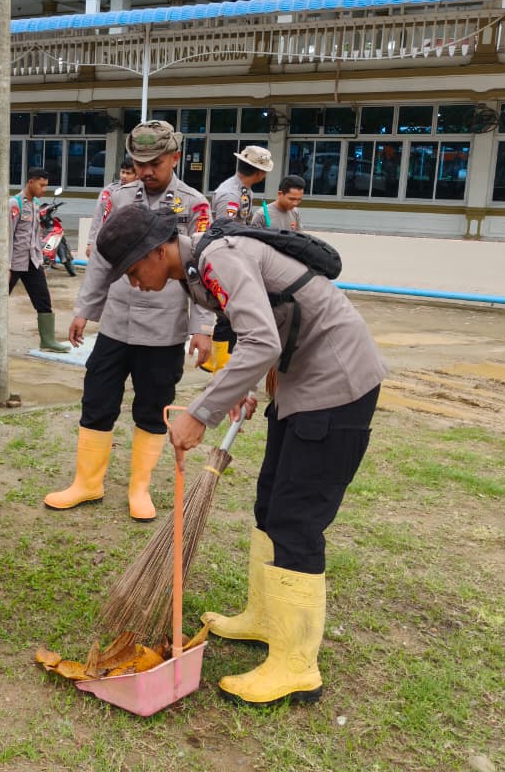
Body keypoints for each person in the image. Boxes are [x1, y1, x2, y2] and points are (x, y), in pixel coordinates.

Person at [94, 202, 386, 707]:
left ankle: (297, 667)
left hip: (336, 388)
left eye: (132, 271)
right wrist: (243, 386)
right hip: (300, 387)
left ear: (157, 251)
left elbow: (262, 341)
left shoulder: (218, 260)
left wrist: (200, 413)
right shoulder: (200, 268)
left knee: (296, 521)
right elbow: (269, 328)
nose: (133, 283)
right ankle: (265, 618)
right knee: (270, 504)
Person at [46, 120, 212, 517]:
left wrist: (202, 327)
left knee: (153, 405)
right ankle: (87, 483)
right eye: (139, 163)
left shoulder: (193, 205)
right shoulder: (115, 199)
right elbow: (101, 261)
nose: (146, 171)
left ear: (175, 157)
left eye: (155, 162)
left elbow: (202, 269)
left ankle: (140, 489)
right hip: (117, 321)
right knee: (98, 397)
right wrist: (86, 310)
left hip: (164, 325)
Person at [0, 167, 70, 353]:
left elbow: (35, 235)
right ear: (30, 182)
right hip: (14, 263)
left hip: (32, 262)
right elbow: (5, 236)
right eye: (41, 185)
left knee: (43, 299)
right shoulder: (14, 204)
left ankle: (48, 340)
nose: (44, 189)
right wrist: (4, 267)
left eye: (46, 185)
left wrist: (40, 261)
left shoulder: (36, 204)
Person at [206, 144, 275, 371]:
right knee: (226, 313)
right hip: (225, 257)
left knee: (233, 313)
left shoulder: (245, 191)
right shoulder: (230, 194)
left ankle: (226, 357)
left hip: (236, 254)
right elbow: (222, 229)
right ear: (260, 172)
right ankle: (218, 362)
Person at [87, 156, 137, 258]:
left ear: (137, 175)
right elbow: (98, 216)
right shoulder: (109, 191)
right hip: (106, 240)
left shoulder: (141, 193)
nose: (124, 176)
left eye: (128, 173)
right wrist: (90, 242)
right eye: (122, 172)